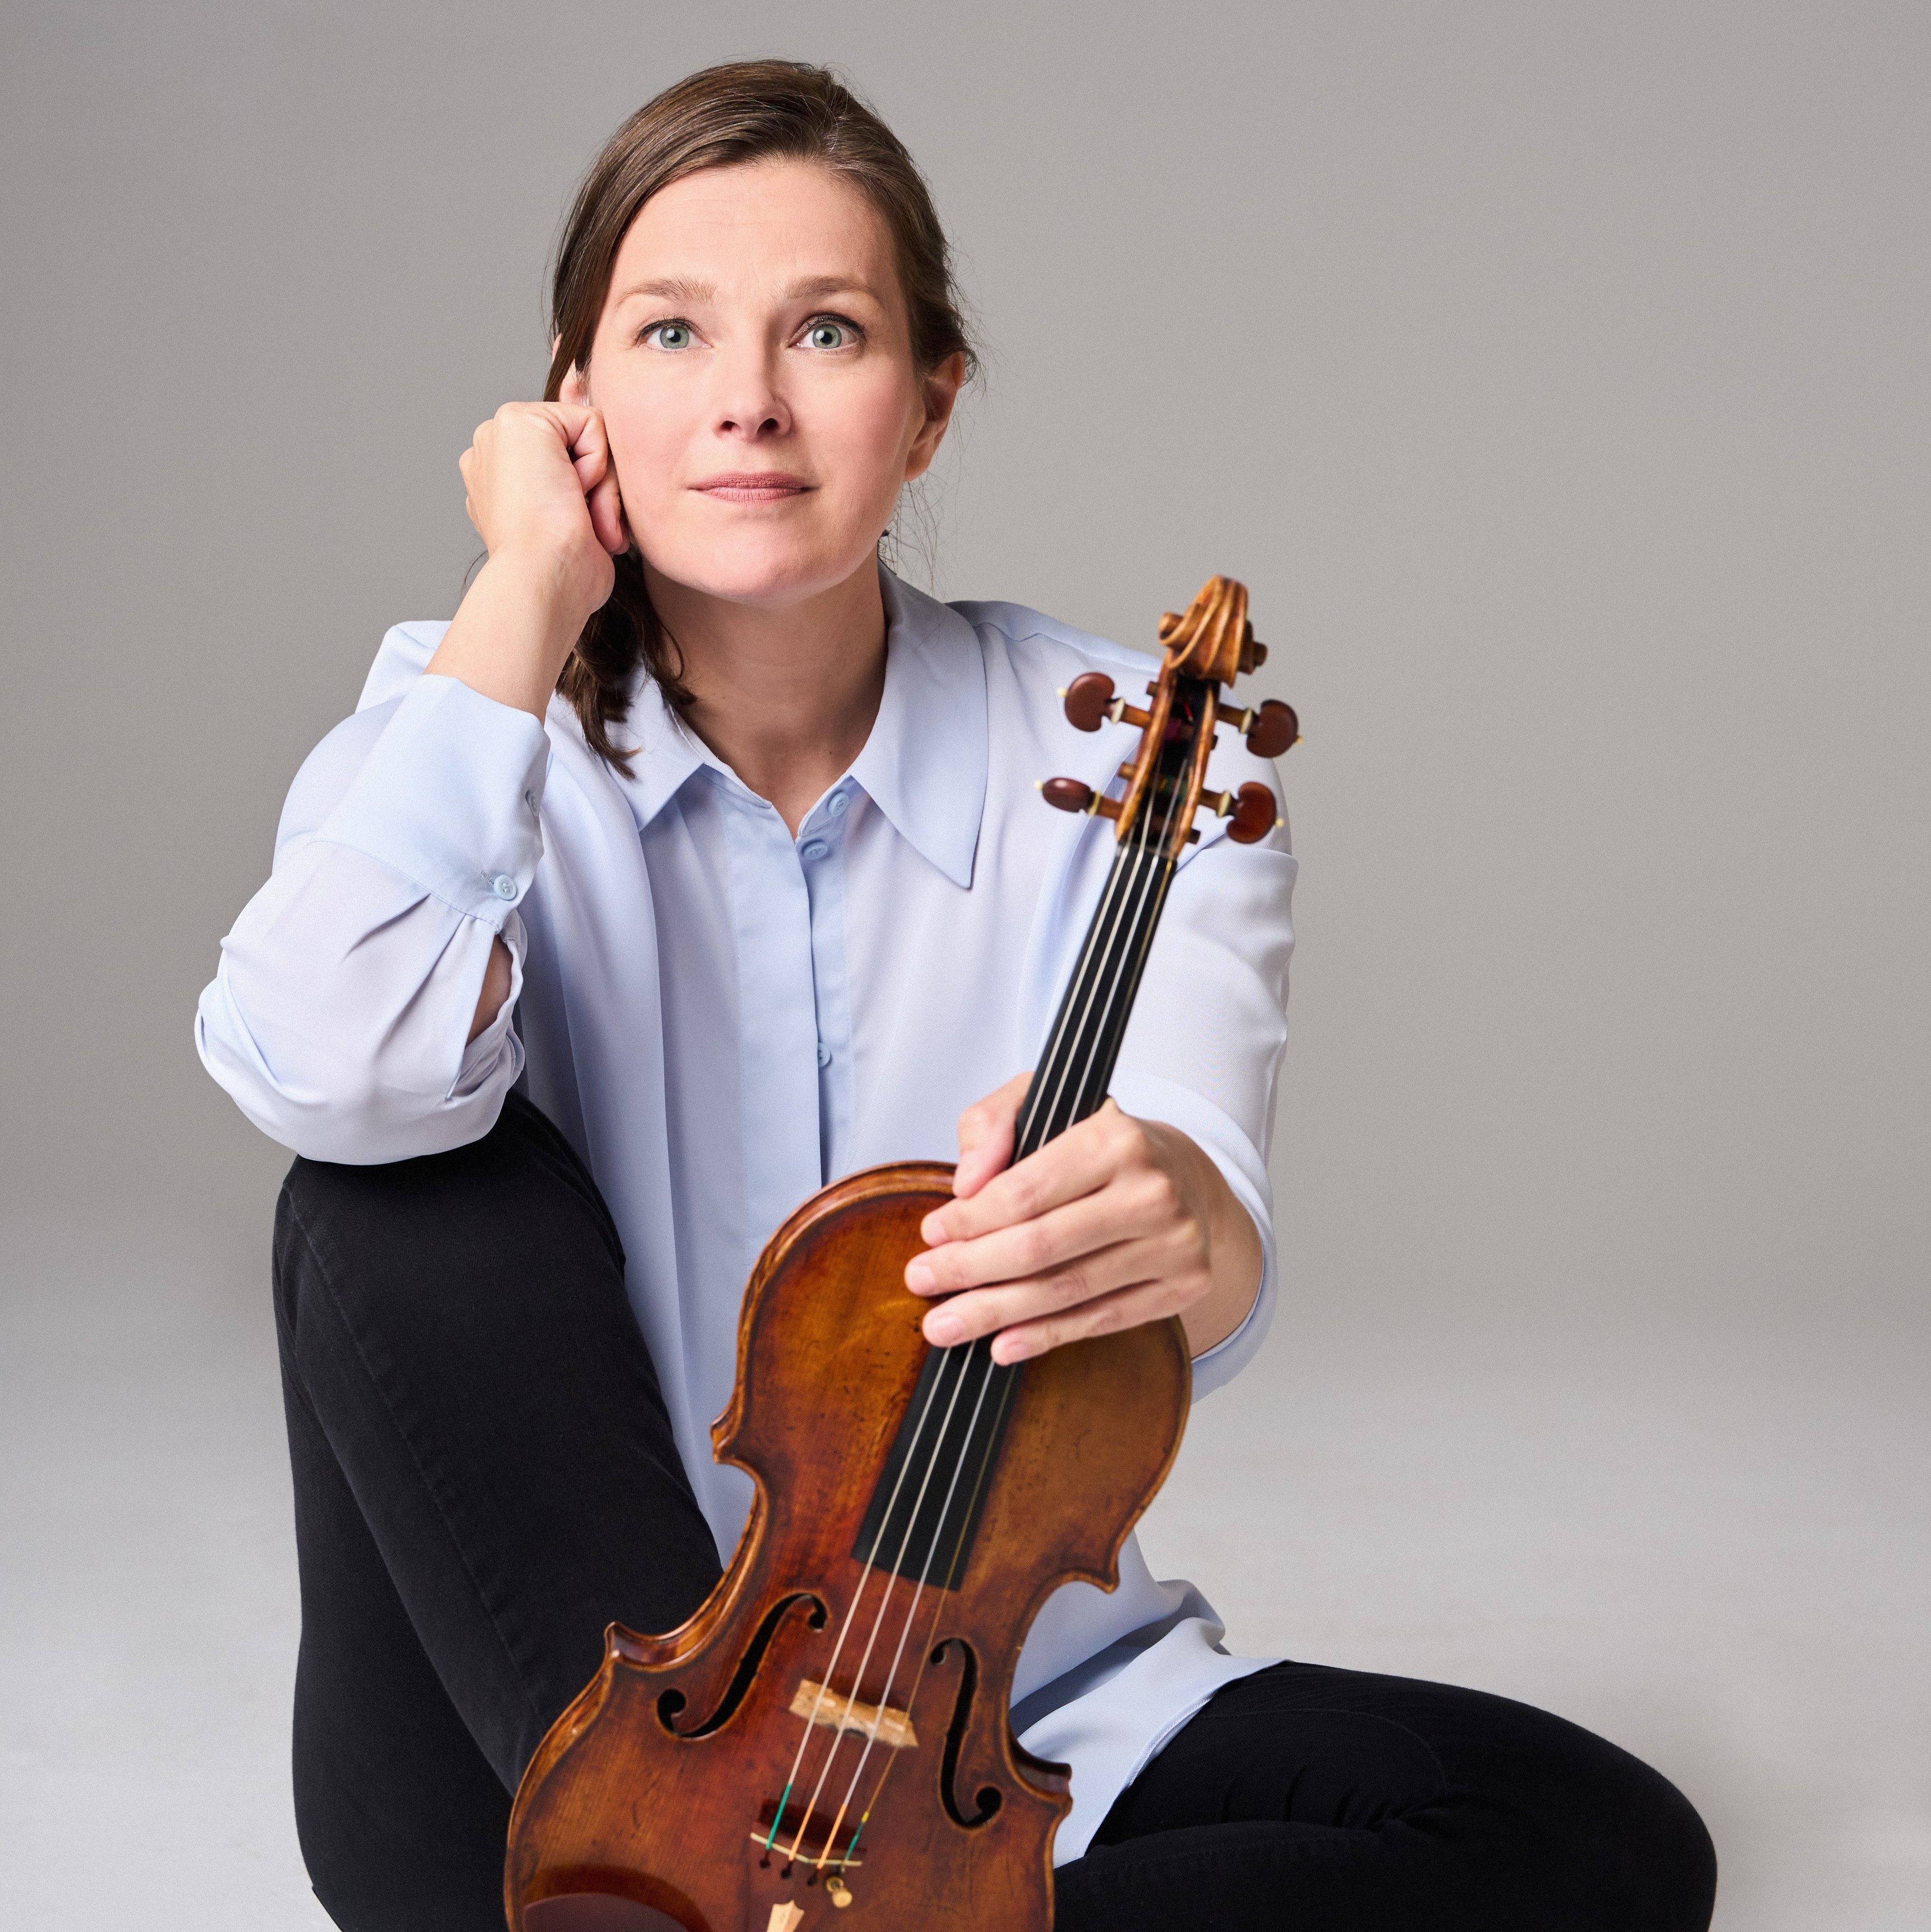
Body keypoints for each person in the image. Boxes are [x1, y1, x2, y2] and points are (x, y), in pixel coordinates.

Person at [195, 59, 1716, 1932]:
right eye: (671, 334)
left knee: (1596, 1839)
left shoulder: (1152, 768)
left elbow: (1204, 1281)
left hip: (988, 1716)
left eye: (826, 331)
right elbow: (323, 1067)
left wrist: (1171, 1221)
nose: (749, 399)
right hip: (552, 1765)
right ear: (575, 407)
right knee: (397, 1175)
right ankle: (687, 1869)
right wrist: (525, 587)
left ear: (927, 409)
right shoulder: (462, 711)